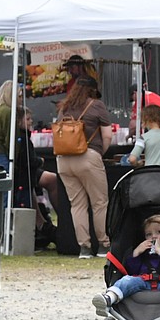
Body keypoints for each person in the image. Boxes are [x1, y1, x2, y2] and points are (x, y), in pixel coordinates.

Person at [92, 214, 160, 316]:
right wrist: (136, 253)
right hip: (143, 281)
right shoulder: (144, 251)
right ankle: (108, 299)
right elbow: (132, 270)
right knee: (126, 280)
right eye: (149, 234)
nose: (154, 237)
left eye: (159, 232)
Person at [55, 77, 113, 259]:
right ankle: (104, 245)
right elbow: (108, 136)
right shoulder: (96, 105)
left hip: (63, 159)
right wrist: (98, 153)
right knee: (99, 203)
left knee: (77, 205)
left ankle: (84, 248)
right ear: (93, 90)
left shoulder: (64, 107)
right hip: (87, 156)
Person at [13, 107, 59, 248]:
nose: (31, 121)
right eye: (27, 119)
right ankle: (44, 223)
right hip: (25, 175)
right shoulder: (23, 139)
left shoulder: (23, 138)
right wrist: (40, 161)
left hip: (29, 175)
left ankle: (43, 222)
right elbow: (28, 161)